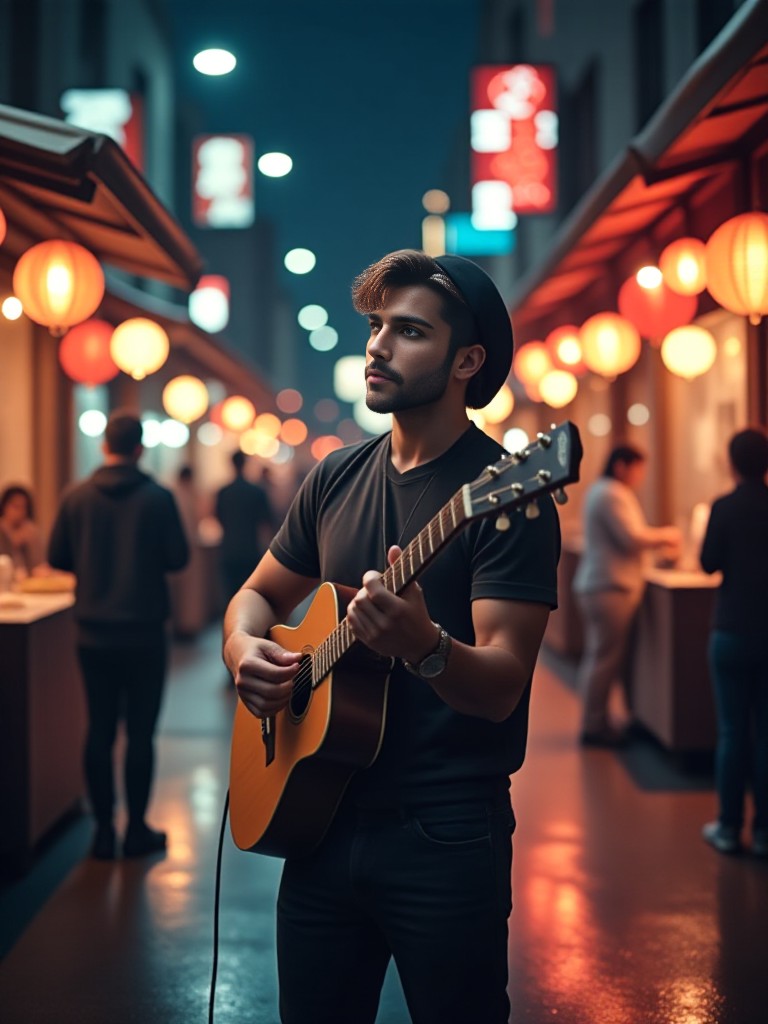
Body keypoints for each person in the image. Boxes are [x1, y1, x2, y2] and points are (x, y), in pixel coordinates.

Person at [223, 249, 561, 1024]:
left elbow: (504, 681)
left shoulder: (509, 495)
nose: (377, 345)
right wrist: (248, 654)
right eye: (377, 326)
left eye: (409, 331)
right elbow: (252, 600)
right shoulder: (335, 476)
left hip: (442, 833)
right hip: (315, 820)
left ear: (466, 361)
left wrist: (425, 646)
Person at [48, 410, 189, 860]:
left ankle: (103, 831)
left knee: (100, 728)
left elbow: (57, 557)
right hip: (145, 632)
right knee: (141, 733)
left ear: (106, 445)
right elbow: (177, 558)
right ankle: (137, 831)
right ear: (139, 448)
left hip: (92, 633)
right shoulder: (158, 498)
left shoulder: (76, 497)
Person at [573, 445, 681, 746]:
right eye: (638, 468)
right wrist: (667, 535)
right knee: (604, 657)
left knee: (600, 655)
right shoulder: (612, 493)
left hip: (601, 584)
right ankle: (594, 725)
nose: (640, 476)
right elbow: (631, 538)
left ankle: (597, 719)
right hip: (609, 586)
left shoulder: (601, 491)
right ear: (622, 466)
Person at [699, 427, 768, 857]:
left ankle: (728, 826)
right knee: (765, 735)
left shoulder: (723, 507)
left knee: (732, 731)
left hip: (730, 630)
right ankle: (764, 833)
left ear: (732, 462)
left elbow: (708, 564)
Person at [215, 450, 275, 603]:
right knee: (250, 597)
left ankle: (230, 625)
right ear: (245, 463)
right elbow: (268, 522)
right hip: (250, 549)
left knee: (231, 596)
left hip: (228, 550)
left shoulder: (223, 492)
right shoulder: (256, 492)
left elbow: (217, 518)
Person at [0, 484, 46, 577]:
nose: (20, 512)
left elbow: (40, 564)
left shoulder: (31, 531)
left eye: (24, 507)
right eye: (15, 507)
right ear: (4, 507)